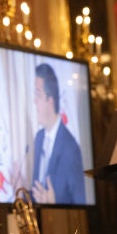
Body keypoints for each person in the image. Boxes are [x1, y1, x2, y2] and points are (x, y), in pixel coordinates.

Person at [31, 63, 85, 204]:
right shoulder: (39, 138)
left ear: (50, 100)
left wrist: (54, 204)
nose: (34, 101)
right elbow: (36, 192)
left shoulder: (71, 148)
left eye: (38, 94)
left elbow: (80, 201)